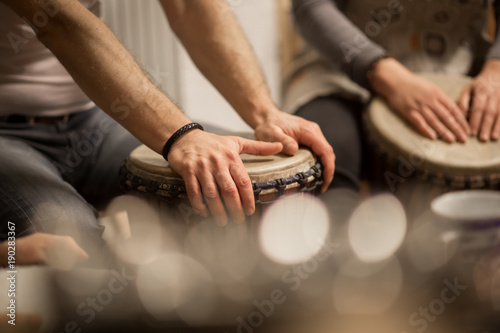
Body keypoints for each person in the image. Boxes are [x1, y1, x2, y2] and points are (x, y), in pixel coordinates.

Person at [0, 0, 335, 265]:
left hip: (92, 121)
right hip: (6, 136)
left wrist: (265, 112)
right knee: (71, 246)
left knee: (235, 179)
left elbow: (190, 6)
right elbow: (58, 20)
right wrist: (182, 135)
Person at [286, 0, 500, 192]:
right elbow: (310, 5)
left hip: (463, 74)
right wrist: (380, 71)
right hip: (337, 71)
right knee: (326, 159)